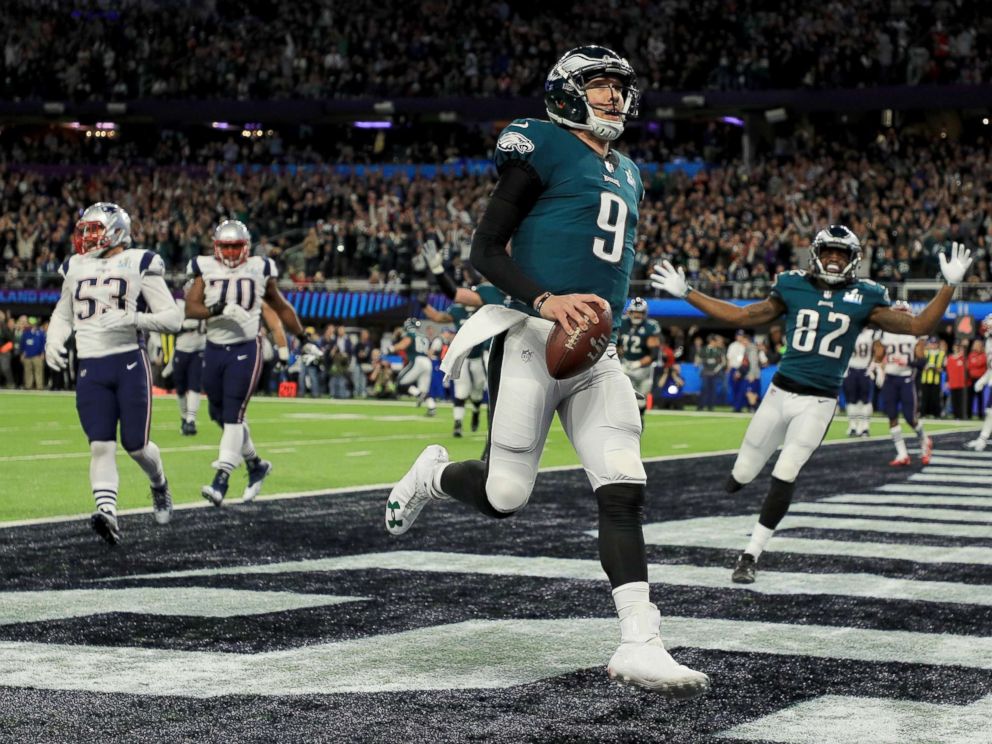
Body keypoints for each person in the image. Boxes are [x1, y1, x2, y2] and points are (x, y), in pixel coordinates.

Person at [385, 45, 710, 697]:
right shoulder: (541, 145)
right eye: (599, 85)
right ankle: (432, 473)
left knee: (623, 487)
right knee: (506, 495)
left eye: (619, 86)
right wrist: (546, 299)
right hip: (535, 336)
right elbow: (485, 250)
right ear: (566, 91)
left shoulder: (632, 171)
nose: (614, 96)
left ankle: (640, 642)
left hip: (597, 351)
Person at [651, 226, 972, 584]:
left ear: (854, 260)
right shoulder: (792, 285)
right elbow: (741, 317)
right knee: (742, 474)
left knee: (786, 470)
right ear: (817, 253)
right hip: (778, 395)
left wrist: (948, 285)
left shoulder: (865, 296)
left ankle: (750, 554)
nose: (835, 259)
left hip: (818, 402)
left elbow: (918, 326)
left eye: (843, 253)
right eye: (830, 251)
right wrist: (687, 293)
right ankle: (734, 486)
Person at [44, 202, 182, 544]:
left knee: (136, 446)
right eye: (85, 230)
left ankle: (159, 483)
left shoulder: (138, 261)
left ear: (116, 230)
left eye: (94, 230)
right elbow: (64, 313)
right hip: (91, 365)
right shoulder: (75, 266)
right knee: (100, 446)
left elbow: (173, 318)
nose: (87, 237)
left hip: (128, 363)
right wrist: (53, 341)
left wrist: (134, 319)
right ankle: (108, 513)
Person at [184, 219, 306, 506]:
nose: (229, 252)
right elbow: (191, 308)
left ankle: (221, 479)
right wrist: (220, 308)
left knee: (234, 415)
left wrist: (303, 336)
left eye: (235, 246)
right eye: (225, 246)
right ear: (216, 247)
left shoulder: (259, 268)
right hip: (214, 348)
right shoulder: (204, 266)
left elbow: (279, 306)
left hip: (246, 347)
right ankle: (256, 465)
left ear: (246, 247)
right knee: (219, 414)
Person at [874, 302, 931, 466]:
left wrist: (908, 361)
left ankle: (924, 442)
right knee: (891, 416)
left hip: (906, 378)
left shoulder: (916, 333)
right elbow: (878, 355)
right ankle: (902, 453)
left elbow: (922, 361)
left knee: (910, 417)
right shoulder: (884, 333)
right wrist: (877, 368)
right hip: (890, 378)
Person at [618, 297, 660, 422]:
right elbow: (615, 344)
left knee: (641, 401)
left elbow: (654, 353)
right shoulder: (622, 323)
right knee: (624, 399)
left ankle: (639, 421)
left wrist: (638, 363)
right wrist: (618, 358)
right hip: (625, 365)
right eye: (635, 312)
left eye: (640, 312)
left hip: (643, 369)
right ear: (629, 312)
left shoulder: (650, 326)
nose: (637, 315)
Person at [174, 278, 208, 435]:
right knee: (180, 387)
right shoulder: (178, 305)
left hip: (199, 349)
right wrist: (183, 326)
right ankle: (183, 417)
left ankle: (191, 420)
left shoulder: (206, 305)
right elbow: (170, 325)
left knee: (194, 384)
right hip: (181, 349)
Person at [392, 317, 436, 416]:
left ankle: (420, 395)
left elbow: (403, 344)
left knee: (400, 383)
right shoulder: (423, 336)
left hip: (417, 361)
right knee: (424, 389)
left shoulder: (411, 334)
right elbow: (428, 351)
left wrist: (390, 348)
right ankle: (431, 406)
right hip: (427, 361)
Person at [965, 315, 992, 450]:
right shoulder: (988, 342)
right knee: (989, 412)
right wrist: (984, 379)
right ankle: (983, 438)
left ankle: (983, 438)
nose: (987, 327)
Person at [843, 327, 877, 436]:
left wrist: (873, 366)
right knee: (851, 400)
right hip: (851, 369)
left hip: (864, 369)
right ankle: (853, 426)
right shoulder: (849, 331)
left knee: (865, 401)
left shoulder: (872, 334)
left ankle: (865, 426)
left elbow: (877, 351)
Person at [919, 336, 946, 419]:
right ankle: (923, 413)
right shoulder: (924, 353)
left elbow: (943, 368)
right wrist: (925, 367)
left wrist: (935, 367)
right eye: (932, 343)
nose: (933, 345)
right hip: (925, 379)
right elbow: (919, 365)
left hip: (936, 380)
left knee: (935, 398)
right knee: (924, 398)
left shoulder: (941, 354)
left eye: (935, 343)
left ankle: (936, 414)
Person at [697, 334, 726, 411]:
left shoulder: (719, 350)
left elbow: (723, 362)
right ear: (711, 341)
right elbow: (698, 359)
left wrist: (716, 370)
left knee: (713, 390)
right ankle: (701, 406)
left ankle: (711, 406)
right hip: (706, 372)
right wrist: (703, 363)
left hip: (714, 373)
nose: (716, 343)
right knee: (704, 389)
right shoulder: (704, 349)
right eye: (715, 341)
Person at [19, 316, 45, 390]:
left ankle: (39, 386)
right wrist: (22, 354)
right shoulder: (25, 333)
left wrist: (43, 353)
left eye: (30, 323)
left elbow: (43, 343)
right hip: (27, 355)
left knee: (38, 372)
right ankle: (28, 386)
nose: (29, 324)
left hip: (37, 355)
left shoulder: (40, 332)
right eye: (29, 323)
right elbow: (22, 344)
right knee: (27, 372)